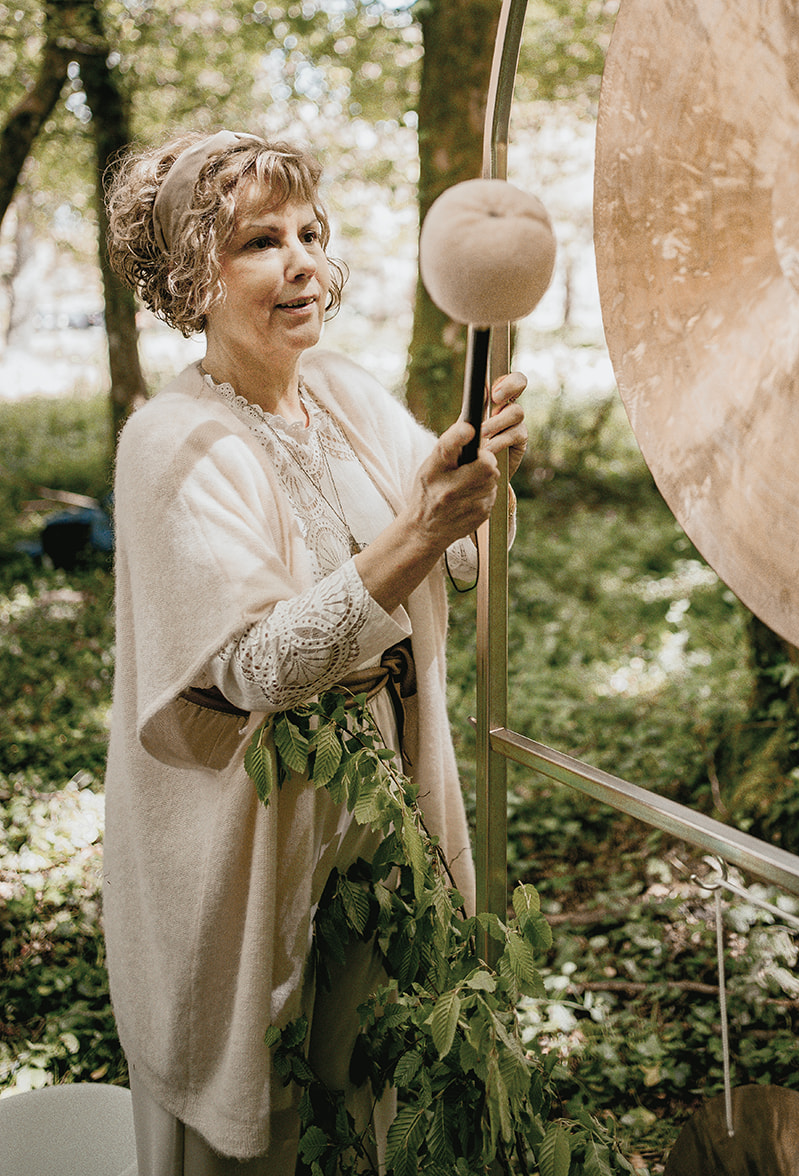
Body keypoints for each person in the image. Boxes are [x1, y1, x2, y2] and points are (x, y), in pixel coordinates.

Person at [102, 129, 527, 1176]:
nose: (302, 263)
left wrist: (474, 477)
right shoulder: (172, 443)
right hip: (262, 848)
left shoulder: (337, 390)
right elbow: (257, 667)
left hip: (383, 823)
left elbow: (461, 561)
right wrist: (419, 527)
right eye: (258, 241)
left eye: (308, 234)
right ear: (192, 280)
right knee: (275, 1119)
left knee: (364, 1098)